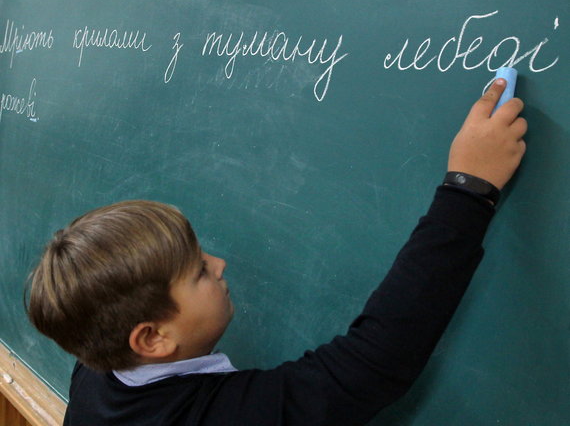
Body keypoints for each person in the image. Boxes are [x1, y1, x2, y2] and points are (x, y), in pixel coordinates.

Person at [26, 79, 526, 426]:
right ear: (153, 338)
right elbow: (374, 362)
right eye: (199, 272)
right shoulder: (218, 418)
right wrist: (467, 189)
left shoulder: (97, 372)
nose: (219, 265)